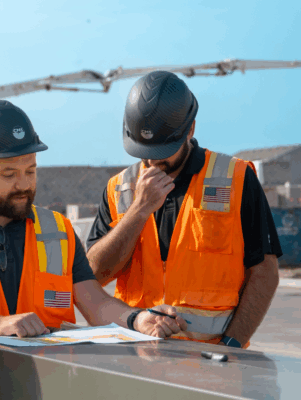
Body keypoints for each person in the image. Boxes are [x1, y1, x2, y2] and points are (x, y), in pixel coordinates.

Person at [0, 100, 188, 370]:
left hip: (45, 384)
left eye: (30, 171)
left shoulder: (58, 230)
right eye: (8, 175)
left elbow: (96, 303)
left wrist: (137, 319)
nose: (23, 185)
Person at [86, 71, 282, 348]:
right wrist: (138, 211)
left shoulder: (235, 178)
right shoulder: (119, 188)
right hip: (134, 354)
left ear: (190, 130)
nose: (152, 161)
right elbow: (95, 274)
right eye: (144, 150)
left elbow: (264, 271)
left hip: (212, 360)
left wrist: (232, 346)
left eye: (162, 150)